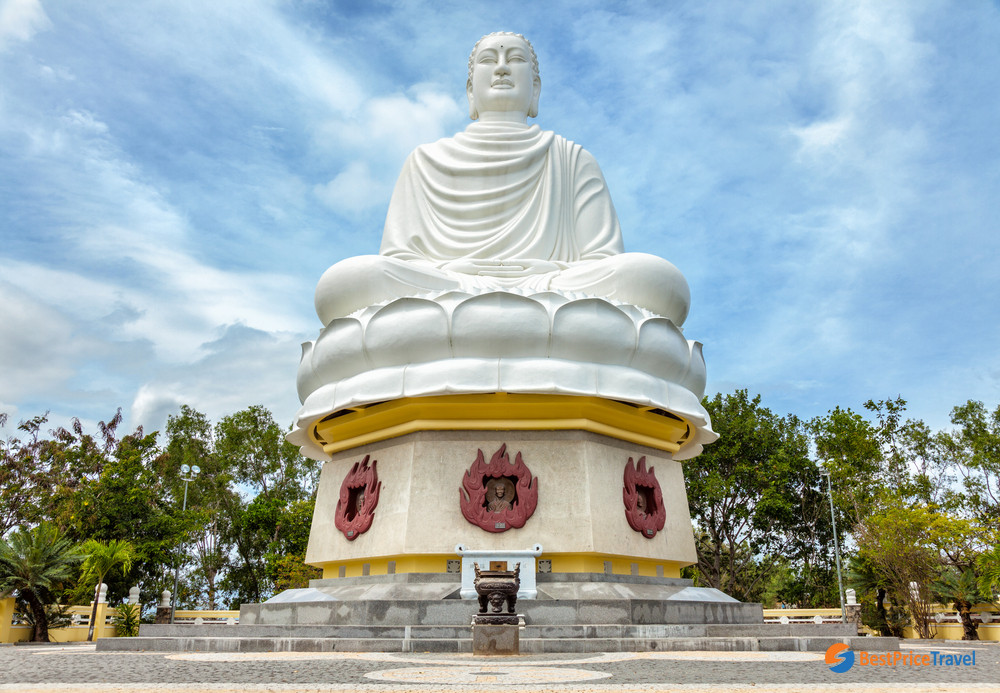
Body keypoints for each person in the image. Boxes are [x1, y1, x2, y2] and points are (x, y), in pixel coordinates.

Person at [314, 32, 690, 326]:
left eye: (516, 60)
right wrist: (452, 273)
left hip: (549, 287)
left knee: (652, 278)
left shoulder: (572, 158)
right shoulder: (424, 160)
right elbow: (400, 258)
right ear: (470, 90)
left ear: (535, 89)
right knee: (349, 280)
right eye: (488, 60)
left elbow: (602, 259)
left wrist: (551, 272)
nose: (502, 69)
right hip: (449, 286)